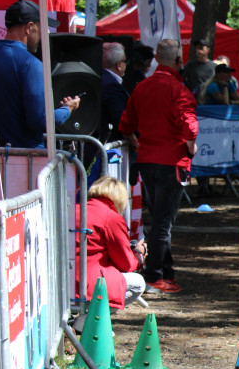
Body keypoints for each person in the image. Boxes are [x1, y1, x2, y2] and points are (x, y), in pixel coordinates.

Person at [119, 38, 198, 295]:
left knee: (159, 220)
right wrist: (191, 145)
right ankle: (154, 274)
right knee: (164, 222)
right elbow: (189, 125)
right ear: (178, 61)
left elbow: (126, 122)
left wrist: (135, 141)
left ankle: (164, 269)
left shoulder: (142, 87)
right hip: (171, 161)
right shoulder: (179, 89)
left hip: (147, 160)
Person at [0, 0, 80, 148]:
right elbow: (40, 121)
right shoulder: (31, 65)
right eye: (42, 28)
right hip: (24, 161)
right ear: (29, 27)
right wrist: (67, 109)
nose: (43, 36)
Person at [73, 176, 146, 332]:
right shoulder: (111, 218)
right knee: (138, 283)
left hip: (62, 282)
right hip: (86, 285)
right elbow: (126, 263)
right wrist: (139, 254)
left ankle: (79, 320)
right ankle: (85, 320)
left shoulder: (73, 209)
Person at [101, 42, 129, 143]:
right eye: (125, 61)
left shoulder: (98, 78)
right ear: (119, 65)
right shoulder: (111, 85)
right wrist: (134, 141)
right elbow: (121, 119)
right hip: (109, 143)